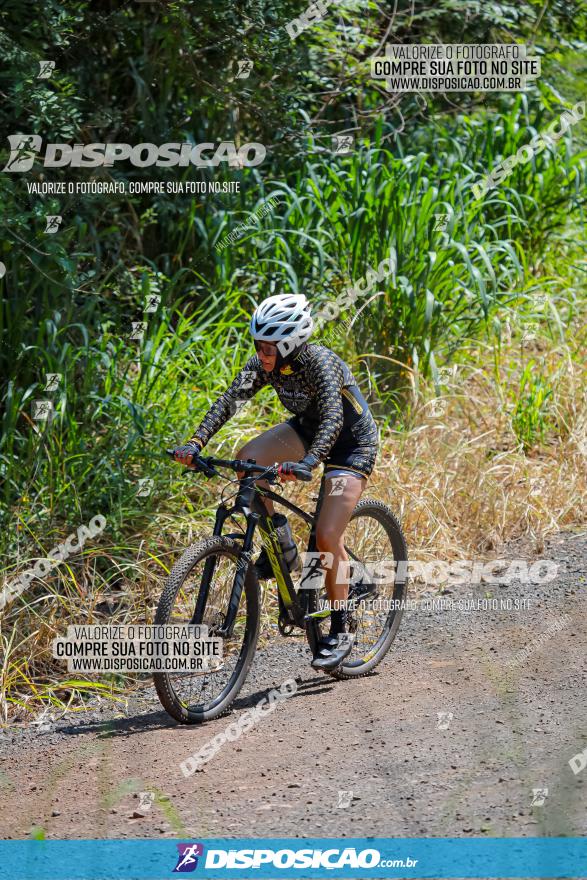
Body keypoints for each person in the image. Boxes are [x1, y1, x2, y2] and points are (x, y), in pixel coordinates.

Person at [172, 293, 379, 671]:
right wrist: (195, 443)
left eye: (268, 348)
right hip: (306, 431)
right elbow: (228, 401)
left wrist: (309, 462)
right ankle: (280, 548)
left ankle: (341, 626)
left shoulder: (320, 363)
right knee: (248, 462)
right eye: (258, 345)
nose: (261, 354)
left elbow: (334, 417)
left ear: (289, 345)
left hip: (350, 446)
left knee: (328, 537)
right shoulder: (264, 366)